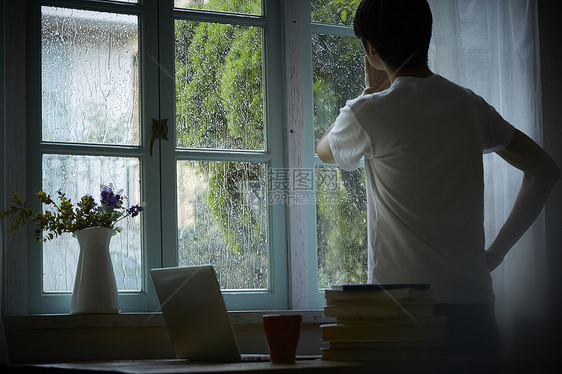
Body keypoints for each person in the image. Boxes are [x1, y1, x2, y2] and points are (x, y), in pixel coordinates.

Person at [316, 0, 560, 356]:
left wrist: (368, 94)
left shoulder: (368, 112)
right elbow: (545, 170)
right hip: (473, 306)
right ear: (426, 34)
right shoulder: (470, 105)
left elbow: (324, 151)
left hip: (402, 310)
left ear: (371, 50)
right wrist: (495, 254)